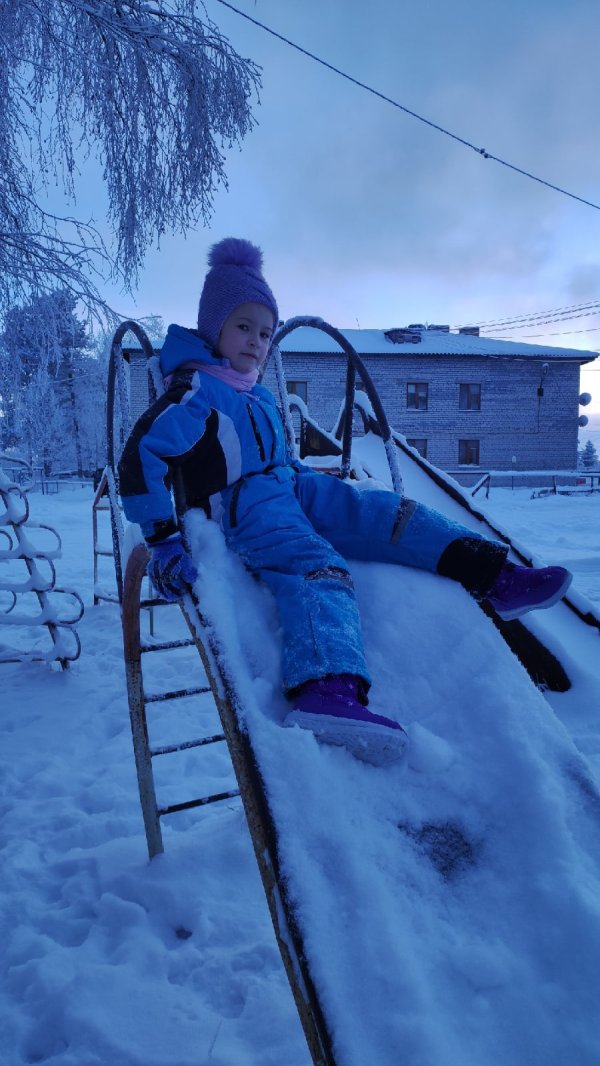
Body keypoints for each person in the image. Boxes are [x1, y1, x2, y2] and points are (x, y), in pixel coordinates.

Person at [118, 238, 572, 766]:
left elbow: (280, 457)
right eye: (243, 326)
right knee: (317, 565)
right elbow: (140, 457)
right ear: (212, 325)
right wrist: (162, 537)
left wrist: (299, 479)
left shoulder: (257, 394)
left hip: (291, 483)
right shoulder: (196, 392)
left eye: (265, 332)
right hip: (242, 506)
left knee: (381, 509)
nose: (257, 341)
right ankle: (324, 689)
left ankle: (493, 576)